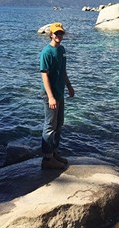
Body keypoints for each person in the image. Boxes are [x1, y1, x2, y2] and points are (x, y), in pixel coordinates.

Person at [40, 22, 74, 169]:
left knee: (59, 124)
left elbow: (63, 70)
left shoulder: (62, 50)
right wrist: (51, 96)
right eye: (56, 33)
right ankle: (47, 159)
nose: (59, 35)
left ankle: (54, 152)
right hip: (51, 94)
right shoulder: (46, 52)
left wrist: (69, 86)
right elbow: (44, 75)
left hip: (60, 93)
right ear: (51, 35)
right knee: (49, 126)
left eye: (61, 33)